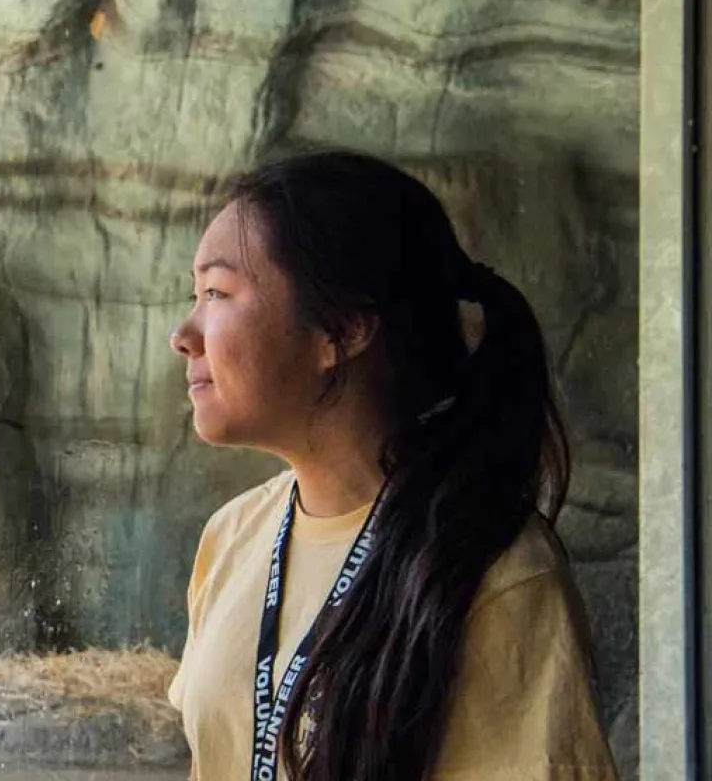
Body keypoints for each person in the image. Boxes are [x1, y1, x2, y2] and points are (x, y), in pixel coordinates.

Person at [163, 148, 618, 780]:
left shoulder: (495, 571)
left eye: (217, 291)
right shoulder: (233, 536)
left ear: (344, 329)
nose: (183, 332)